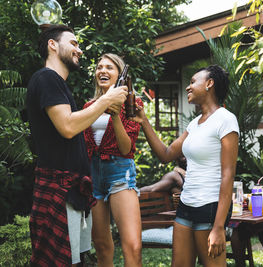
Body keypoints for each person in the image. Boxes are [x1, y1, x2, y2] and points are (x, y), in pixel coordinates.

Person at [26, 25, 127, 266]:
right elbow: (68, 127)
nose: (79, 50)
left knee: (76, 261)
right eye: (73, 43)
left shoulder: (57, 83)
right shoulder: (46, 77)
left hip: (72, 192)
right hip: (58, 191)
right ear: (53, 45)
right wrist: (106, 100)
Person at [132, 65, 239, 267]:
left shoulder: (226, 120)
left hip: (210, 207)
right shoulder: (195, 123)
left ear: (209, 84)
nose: (188, 87)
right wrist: (143, 121)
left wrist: (218, 227)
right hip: (186, 205)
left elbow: (228, 175)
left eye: (192, 82)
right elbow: (166, 154)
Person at [83, 53, 143, 267]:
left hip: (120, 171)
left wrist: (115, 114)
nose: (103, 71)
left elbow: (127, 148)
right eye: (99, 67)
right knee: (101, 245)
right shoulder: (89, 106)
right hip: (94, 173)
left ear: (120, 75)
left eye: (109, 67)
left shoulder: (132, 105)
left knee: (133, 246)